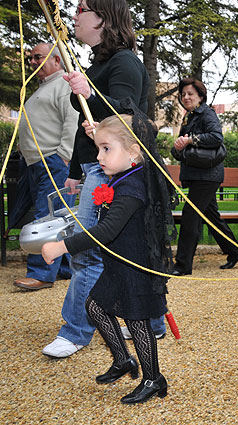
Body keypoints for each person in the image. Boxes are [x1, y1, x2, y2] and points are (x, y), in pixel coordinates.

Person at [43, 0, 165, 359]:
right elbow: (90, 129)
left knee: (89, 251)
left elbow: (127, 116)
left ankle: (76, 330)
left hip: (113, 168)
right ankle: (153, 322)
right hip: (96, 165)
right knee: (126, 246)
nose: (75, 16)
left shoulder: (124, 61)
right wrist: (76, 172)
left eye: (81, 9)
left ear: (101, 18)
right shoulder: (98, 61)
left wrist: (92, 93)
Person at [42, 112, 173, 404]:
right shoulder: (124, 177)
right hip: (118, 265)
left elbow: (107, 230)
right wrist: (101, 133)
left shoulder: (132, 187)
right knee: (96, 306)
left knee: (137, 321)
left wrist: (61, 247)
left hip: (135, 267)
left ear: (133, 152)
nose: (99, 156)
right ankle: (123, 360)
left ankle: (154, 378)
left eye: (106, 149)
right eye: (99, 148)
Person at [13, 43, 78, 291]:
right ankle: (64, 268)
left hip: (52, 160)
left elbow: (72, 120)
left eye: (37, 57)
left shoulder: (63, 84)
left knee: (47, 218)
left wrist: (64, 155)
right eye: (31, 58)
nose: (32, 62)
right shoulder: (46, 87)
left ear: (57, 60)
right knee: (59, 217)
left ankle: (41, 273)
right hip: (38, 162)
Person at [170, 77, 238, 274]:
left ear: (201, 97)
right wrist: (179, 146)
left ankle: (183, 265)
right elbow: (182, 145)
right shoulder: (190, 116)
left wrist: (190, 140)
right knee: (212, 217)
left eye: (190, 94)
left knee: (190, 216)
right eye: (183, 94)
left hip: (207, 176)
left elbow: (216, 137)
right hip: (198, 174)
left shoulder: (207, 114)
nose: (186, 97)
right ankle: (235, 251)